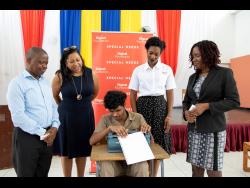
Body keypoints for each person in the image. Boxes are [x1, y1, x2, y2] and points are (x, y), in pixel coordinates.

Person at [183, 40, 240, 177]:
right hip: (194, 130)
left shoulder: (224, 73)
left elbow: (234, 101)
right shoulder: (192, 77)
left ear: (208, 54)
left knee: (213, 171)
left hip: (213, 131)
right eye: (193, 56)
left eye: (197, 56)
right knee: (196, 170)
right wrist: (186, 113)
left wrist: (207, 106)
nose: (194, 59)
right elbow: (187, 101)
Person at [6, 47, 60, 177]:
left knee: (42, 173)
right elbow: (18, 117)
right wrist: (43, 133)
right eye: (40, 62)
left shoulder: (45, 82)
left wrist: (54, 127)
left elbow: (53, 107)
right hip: (27, 138)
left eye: (46, 63)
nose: (44, 66)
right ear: (28, 61)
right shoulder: (17, 83)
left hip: (48, 137)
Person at [129, 36, 176, 176]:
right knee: (142, 141)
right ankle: (143, 173)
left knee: (158, 144)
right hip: (143, 107)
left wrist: (169, 115)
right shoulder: (138, 70)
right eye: (151, 53)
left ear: (160, 53)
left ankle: (153, 175)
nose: (153, 56)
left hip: (161, 107)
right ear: (146, 51)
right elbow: (132, 94)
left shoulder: (167, 70)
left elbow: (170, 93)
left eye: (156, 53)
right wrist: (136, 116)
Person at [52, 46, 99, 177]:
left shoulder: (91, 73)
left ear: (81, 59)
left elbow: (95, 93)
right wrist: (65, 106)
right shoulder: (59, 76)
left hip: (85, 116)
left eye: (78, 60)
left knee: (82, 149)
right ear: (65, 63)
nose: (76, 63)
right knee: (66, 151)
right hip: (66, 117)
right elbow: (55, 95)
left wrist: (83, 103)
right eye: (71, 61)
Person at [89, 90, 151, 177]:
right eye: (111, 111)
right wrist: (108, 129)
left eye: (118, 110)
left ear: (124, 105)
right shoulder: (105, 119)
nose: (115, 114)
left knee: (143, 166)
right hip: (113, 163)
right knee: (106, 165)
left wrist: (147, 131)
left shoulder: (138, 117)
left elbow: (151, 143)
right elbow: (91, 141)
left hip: (134, 163)